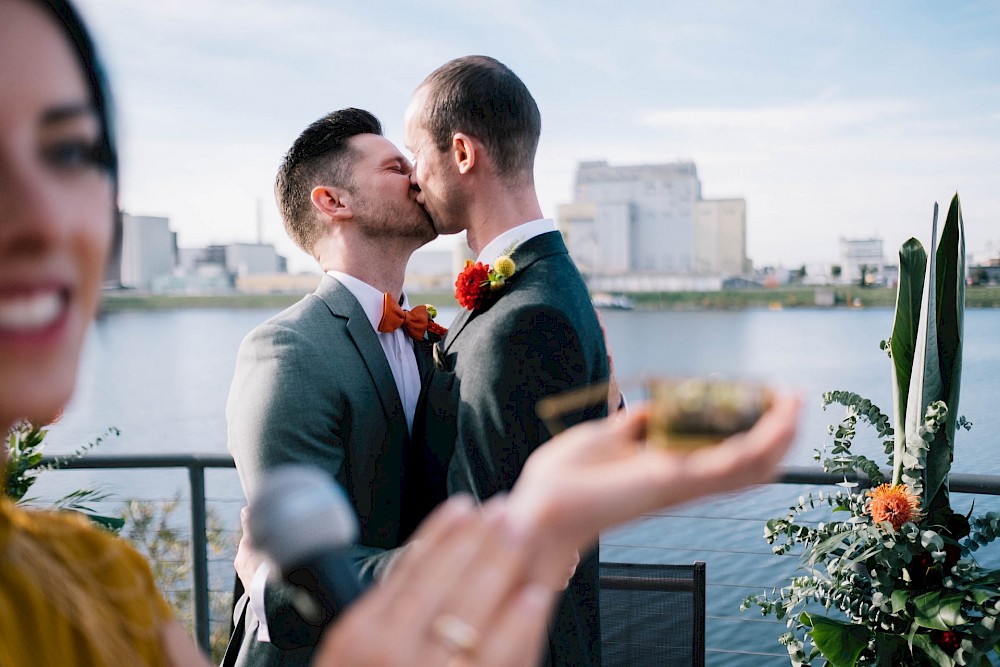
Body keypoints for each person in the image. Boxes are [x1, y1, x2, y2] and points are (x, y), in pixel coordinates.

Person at [404, 55, 611, 665]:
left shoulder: (524, 320)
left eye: (418, 154)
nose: (414, 178)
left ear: (462, 153)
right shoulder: (545, 283)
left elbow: (493, 561)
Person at [224, 108, 444, 665]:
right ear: (333, 202)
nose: (419, 177)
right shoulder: (286, 350)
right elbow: (305, 578)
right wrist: (488, 560)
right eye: (397, 168)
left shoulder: (436, 338)